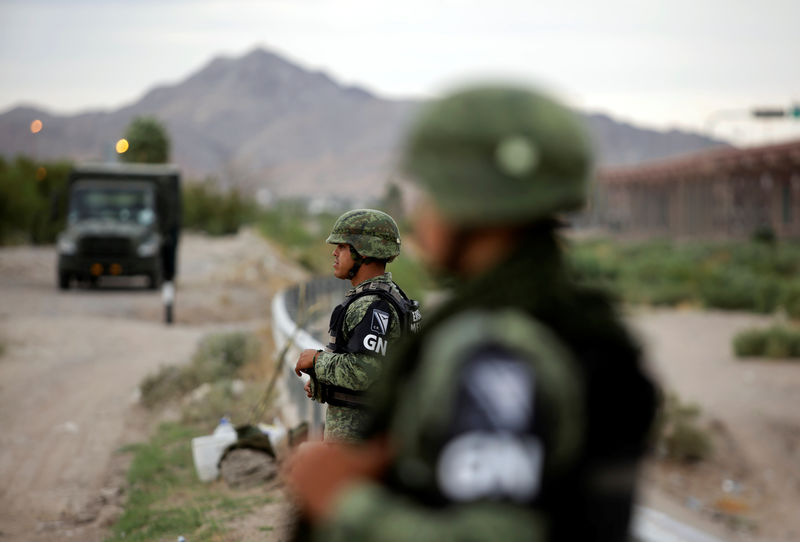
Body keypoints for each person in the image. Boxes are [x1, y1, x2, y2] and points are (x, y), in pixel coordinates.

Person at [285, 85, 657, 541]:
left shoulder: (499, 350)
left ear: (474, 205)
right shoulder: (558, 317)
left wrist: (342, 501)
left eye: (433, 193)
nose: (422, 215)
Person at [293, 208, 419, 442]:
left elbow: (363, 371)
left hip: (359, 440)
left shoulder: (373, 305)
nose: (334, 253)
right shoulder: (383, 297)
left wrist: (316, 360)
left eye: (342, 246)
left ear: (365, 251)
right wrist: (325, 384)